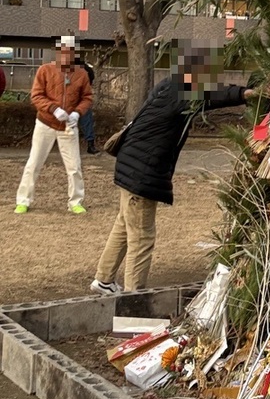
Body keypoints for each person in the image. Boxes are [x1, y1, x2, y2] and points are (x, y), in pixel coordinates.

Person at [90, 42, 255, 294]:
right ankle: (134, 299)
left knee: (124, 226)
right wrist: (245, 94)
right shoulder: (181, 90)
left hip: (132, 167)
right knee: (142, 238)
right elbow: (213, 95)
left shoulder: (170, 86)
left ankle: (103, 280)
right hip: (141, 173)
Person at [14, 36, 93, 215]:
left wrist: (77, 113)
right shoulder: (45, 70)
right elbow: (36, 95)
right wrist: (53, 108)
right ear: (58, 52)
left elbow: (87, 97)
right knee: (33, 163)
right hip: (45, 123)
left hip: (68, 126)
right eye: (64, 50)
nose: (67, 54)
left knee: (74, 167)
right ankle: (23, 200)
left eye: (71, 51)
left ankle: (76, 201)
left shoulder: (81, 74)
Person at [76, 59, 98, 154]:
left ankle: (90, 144)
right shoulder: (85, 69)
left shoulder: (85, 70)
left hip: (79, 98)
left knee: (86, 120)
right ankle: (90, 145)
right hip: (72, 98)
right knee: (86, 121)